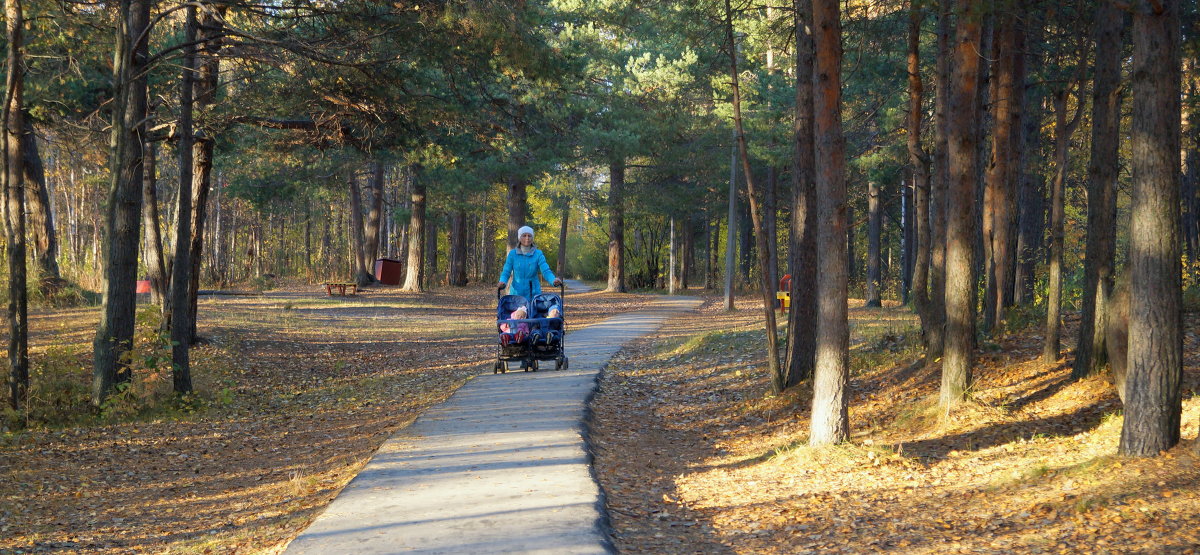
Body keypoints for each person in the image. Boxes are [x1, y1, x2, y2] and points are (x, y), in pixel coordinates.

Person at [497, 225, 562, 300]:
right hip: (516, 296)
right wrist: (502, 282)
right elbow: (506, 272)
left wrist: (553, 280)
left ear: (532, 238)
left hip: (533, 296)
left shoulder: (538, 254)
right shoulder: (512, 254)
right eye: (524, 235)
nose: (527, 238)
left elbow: (546, 271)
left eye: (529, 236)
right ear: (519, 238)